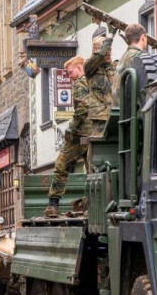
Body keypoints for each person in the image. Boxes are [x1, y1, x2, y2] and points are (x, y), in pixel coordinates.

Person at [44, 34, 115, 218]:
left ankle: (53, 205)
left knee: (61, 165)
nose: (69, 77)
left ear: (79, 68)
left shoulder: (80, 83)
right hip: (99, 130)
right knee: (93, 171)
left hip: (81, 133)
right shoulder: (105, 74)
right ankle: (95, 206)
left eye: (70, 73)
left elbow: (82, 108)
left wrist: (71, 129)